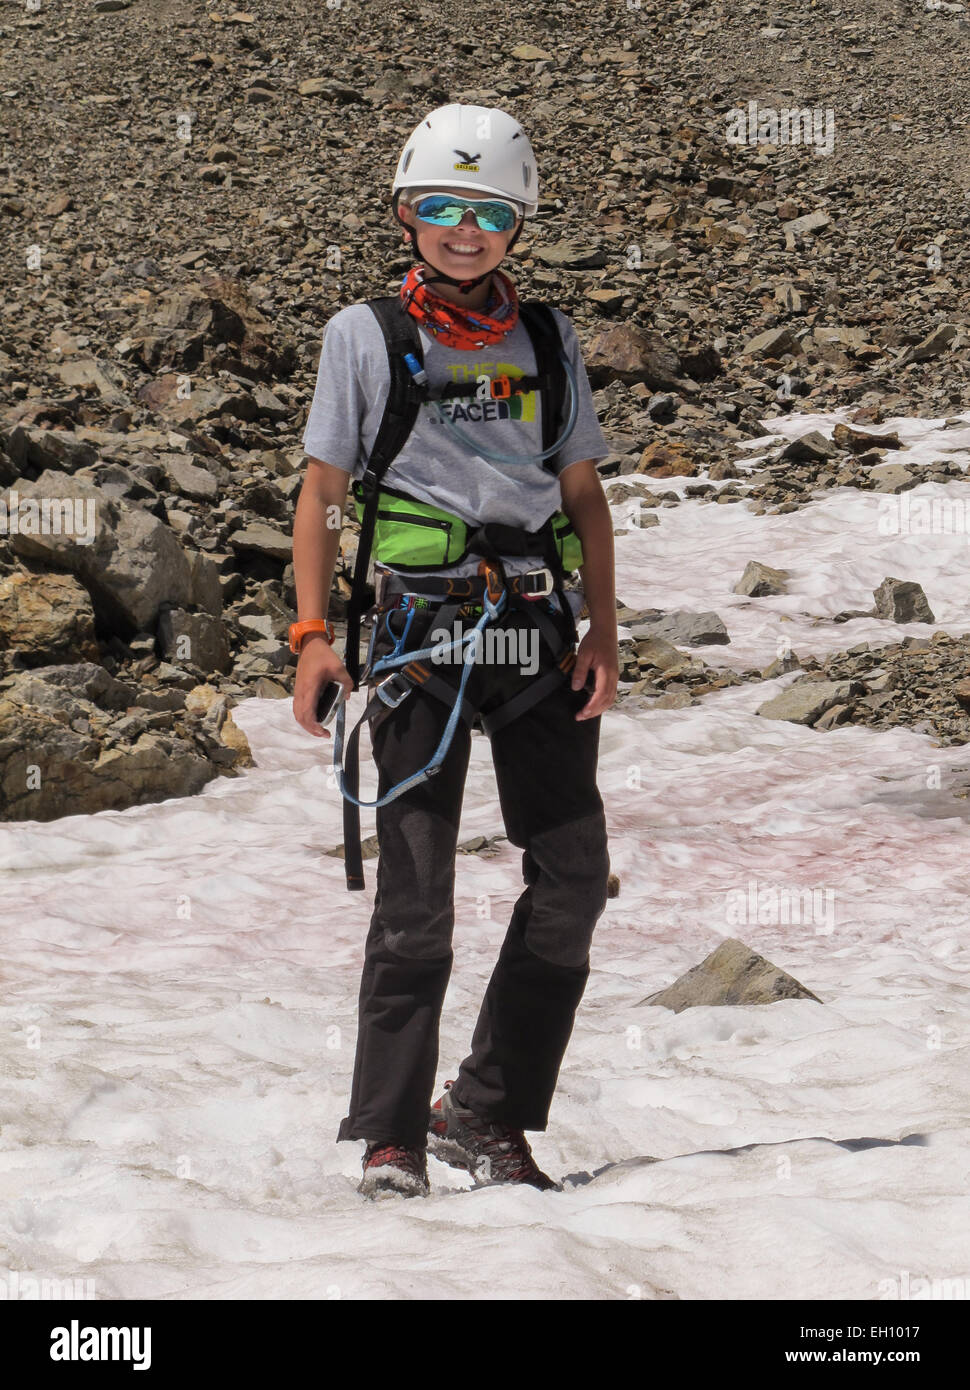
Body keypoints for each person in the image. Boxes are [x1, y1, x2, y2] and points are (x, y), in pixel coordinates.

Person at [291, 104, 618, 1198]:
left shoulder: (551, 339)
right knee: (417, 896)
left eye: (487, 212)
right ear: (406, 214)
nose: (463, 230)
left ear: (517, 223)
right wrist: (306, 637)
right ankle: (391, 1135)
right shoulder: (365, 335)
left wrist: (607, 630)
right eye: (441, 208)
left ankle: (483, 1110)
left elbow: (582, 492)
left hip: (536, 635)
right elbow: (324, 494)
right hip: (416, 638)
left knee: (571, 874)